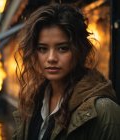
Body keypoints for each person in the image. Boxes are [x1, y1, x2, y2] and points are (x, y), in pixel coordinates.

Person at [12, 4, 120, 140]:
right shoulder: (32, 102)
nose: (51, 58)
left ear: (80, 50)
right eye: (42, 49)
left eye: (62, 48)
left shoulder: (104, 111)